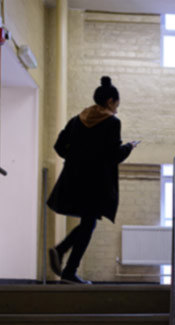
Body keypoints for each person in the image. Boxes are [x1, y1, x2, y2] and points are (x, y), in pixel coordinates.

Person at [47, 76, 139, 284]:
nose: (116, 110)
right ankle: (66, 265)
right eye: (116, 105)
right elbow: (114, 156)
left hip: (73, 179)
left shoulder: (76, 120)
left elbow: (59, 146)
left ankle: (64, 258)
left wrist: (75, 159)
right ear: (110, 101)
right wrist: (129, 147)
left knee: (88, 223)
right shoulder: (112, 123)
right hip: (96, 183)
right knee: (88, 224)